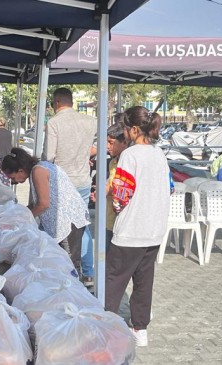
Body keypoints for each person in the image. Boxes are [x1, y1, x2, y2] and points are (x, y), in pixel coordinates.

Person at [106, 106, 170, 348]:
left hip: (131, 230)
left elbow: (121, 195)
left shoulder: (130, 156)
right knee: (144, 282)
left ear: (134, 129)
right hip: (153, 229)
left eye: (125, 128)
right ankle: (140, 329)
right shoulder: (159, 154)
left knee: (113, 281)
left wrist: (117, 208)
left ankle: (107, 327)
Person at [1, 147, 89, 275]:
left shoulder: (38, 171)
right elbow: (36, 202)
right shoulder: (36, 170)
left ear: (20, 170)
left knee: (68, 264)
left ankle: (74, 289)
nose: (13, 181)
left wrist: (24, 220)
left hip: (67, 221)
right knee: (58, 261)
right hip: (60, 220)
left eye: (12, 177)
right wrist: (19, 213)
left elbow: (43, 204)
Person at [44, 87, 97, 285]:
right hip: (83, 180)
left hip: (62, 182)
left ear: (57, 103)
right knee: (83, 226)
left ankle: (64, 269)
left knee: (60, 226)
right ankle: (89, 272)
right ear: (72, 101)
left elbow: (49, 156)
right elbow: (93, 149)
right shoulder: (89, 121)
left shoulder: (54, 123)